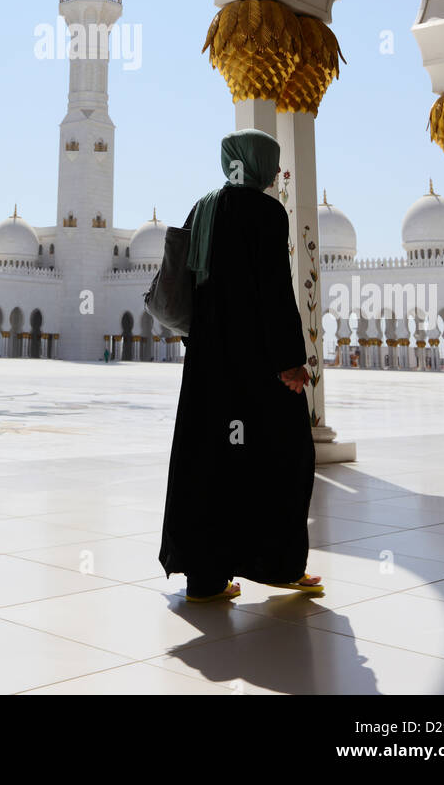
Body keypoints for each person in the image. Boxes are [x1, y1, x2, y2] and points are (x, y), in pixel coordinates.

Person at [158, 128, 322, 602]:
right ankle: (278, 564)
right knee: (287, 454)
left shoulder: (203, 206)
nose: (275, 171)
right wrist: (290, 361)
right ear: (259, 163)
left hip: (209, 364)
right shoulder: (265, 211)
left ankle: (205, 578)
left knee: (210, 460)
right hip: (256, 366)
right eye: (270, 162)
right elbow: (273, 290)